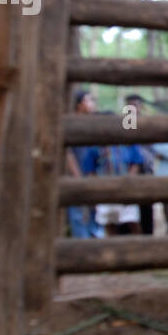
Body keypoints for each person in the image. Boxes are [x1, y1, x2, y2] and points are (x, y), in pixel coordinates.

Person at [66, 89, 103, 238]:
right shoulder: (72, 124)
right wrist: (77, 176)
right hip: (79, 176)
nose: (93, 104)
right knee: (79, 216)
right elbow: (68, 153)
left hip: (94, 176)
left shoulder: (94, 125)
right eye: (89, 100)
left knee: (96, 218)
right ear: (79, 104)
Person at [123, 94, 156, 235]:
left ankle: (147, 235)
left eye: (136, 105)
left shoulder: (147, 121)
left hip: (145, 171)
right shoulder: (127, 121)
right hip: (130, 169)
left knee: (146, 208)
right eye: (130, 105)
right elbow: (129, 135)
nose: (133, 108)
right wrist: (130, 114)